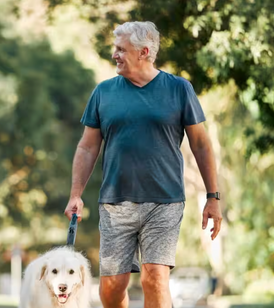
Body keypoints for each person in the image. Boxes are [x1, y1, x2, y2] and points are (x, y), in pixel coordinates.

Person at [63, 21, 223, 308]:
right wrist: (76, 194)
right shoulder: (104, 92)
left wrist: (213, 197)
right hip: (115, 202)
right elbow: (87, 147)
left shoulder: (178, 89)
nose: (115, 55)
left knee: (155, 279)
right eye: (115, 49)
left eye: (121, 49)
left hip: (164, 201)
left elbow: (201, 144)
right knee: (112, 288)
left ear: (144, 52)